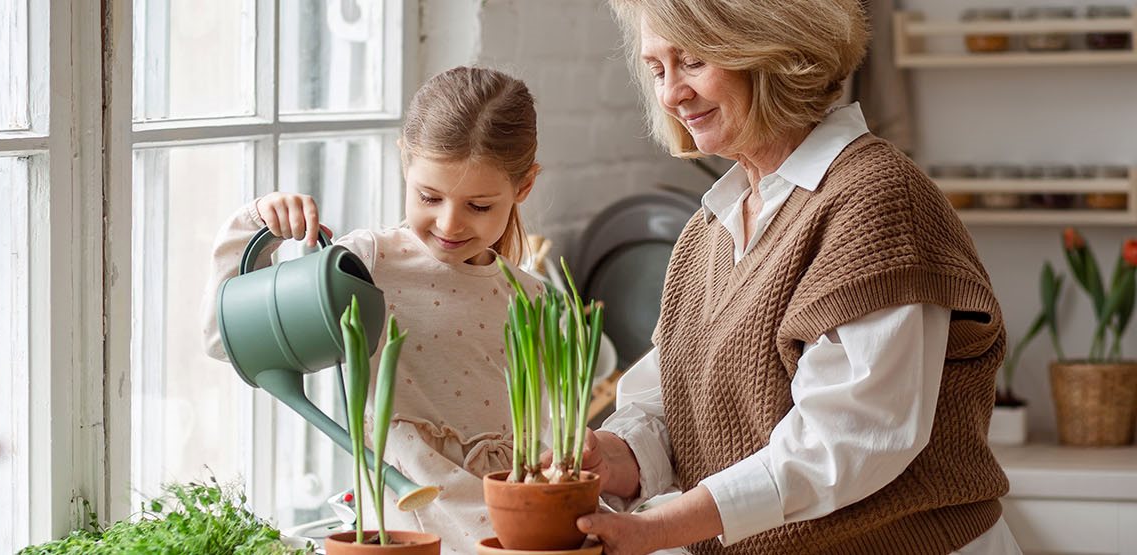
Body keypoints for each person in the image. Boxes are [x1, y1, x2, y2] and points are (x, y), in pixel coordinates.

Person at [569, 1, 1023, 554]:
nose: (670, 95)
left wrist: (661, 527)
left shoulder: (874, 201)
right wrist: (614, 456)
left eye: (690, 62)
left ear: (769, 49)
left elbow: (847, 440)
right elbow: (677, 401)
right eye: (658, 69)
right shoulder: (709, 227)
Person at [201, 66, 546, 553]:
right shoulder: (367, 264)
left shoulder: (532, 298)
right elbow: (224, 338)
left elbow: (550, 433)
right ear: (405, 161)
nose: (449, 223)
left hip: (507, 524)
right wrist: (255, 228)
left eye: (480, 206)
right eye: (430, 196)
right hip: (403, 522)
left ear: (524, 187)